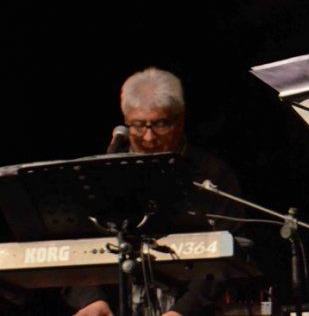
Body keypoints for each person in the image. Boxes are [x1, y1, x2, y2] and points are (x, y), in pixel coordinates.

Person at [68, 67, 243, 316]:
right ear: (126, 121)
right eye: (139, 126)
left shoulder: (213, 174)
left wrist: (183, 310)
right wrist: (91, 300)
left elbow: (227, 256)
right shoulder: (101, 174)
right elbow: (72, 248)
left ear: (180, 120)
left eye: (161, 125)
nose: (149, 138)